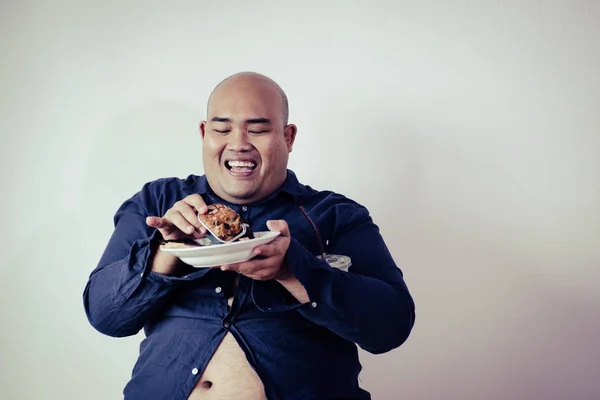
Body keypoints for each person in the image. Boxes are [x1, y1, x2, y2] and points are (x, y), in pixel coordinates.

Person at [83, 72, 416, 400]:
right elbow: (106, 317)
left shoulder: (335, 215)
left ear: (288, 137)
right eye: (222, 129)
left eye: (257, 129)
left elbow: (390, 327)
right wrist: (165, 253)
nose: (239, 144)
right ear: (204, 133)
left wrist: (295, 271)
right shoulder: (156, 203)